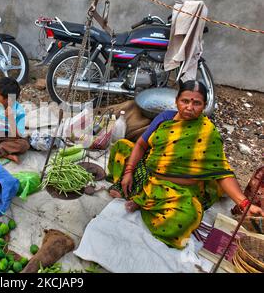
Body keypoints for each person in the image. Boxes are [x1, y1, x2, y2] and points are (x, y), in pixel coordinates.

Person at [107, 80, 264, 249]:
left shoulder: (207, 132)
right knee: (121, 148)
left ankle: (142, 200)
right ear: (176, 101)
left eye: (196, 103)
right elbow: (140, 145)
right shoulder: (165, 118)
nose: (189, 107)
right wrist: (130, 171)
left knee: (186, 218)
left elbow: (221, 172)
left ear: (204, 106)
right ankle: (141, 193)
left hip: (180, 191)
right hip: (149, 175)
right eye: (185, 101)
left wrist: (244, 203)